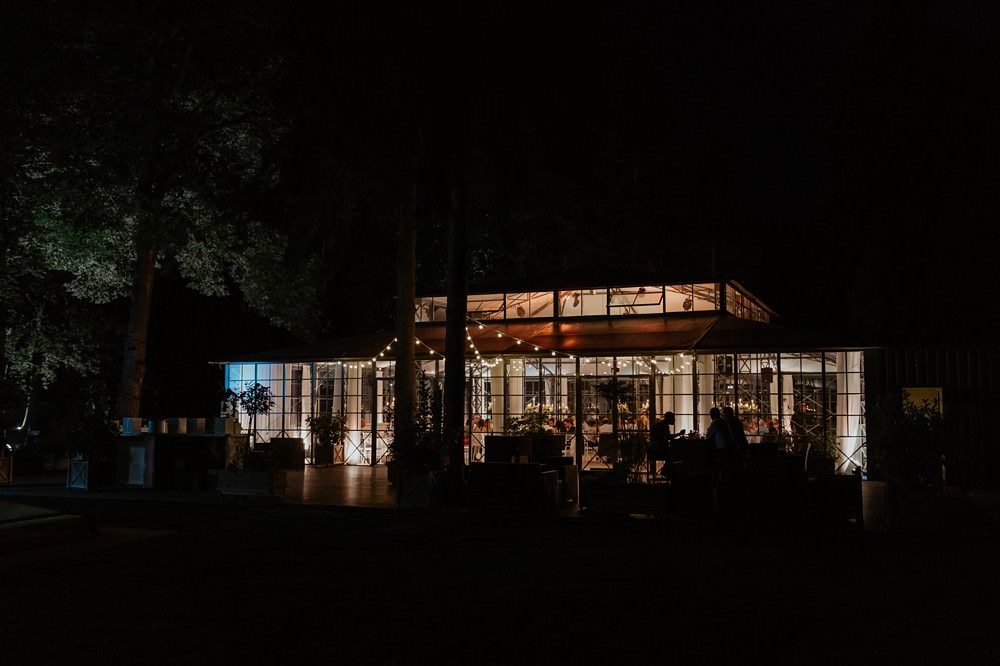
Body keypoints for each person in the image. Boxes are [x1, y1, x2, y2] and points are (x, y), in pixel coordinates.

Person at [705, 407, 734, 472]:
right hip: (730, 448)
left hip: (721, 449)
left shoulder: (715, 423)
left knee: (708, 457)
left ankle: (715, 473)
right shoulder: (724, 422)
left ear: (711, 415)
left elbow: (708, 436)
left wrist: (708, 431)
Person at [722, 406, 749, 471]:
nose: (722, 415)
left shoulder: (728, 423)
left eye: (723, 413)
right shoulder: (736, 421)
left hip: (734, 446)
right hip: (740, 444)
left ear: (727, 414)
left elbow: (733, 435)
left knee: (734, 464)